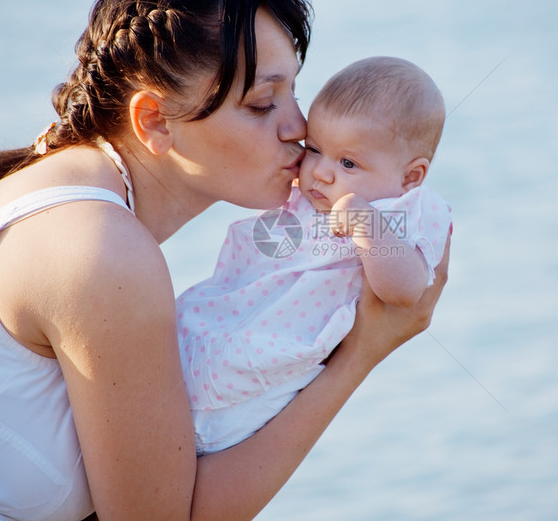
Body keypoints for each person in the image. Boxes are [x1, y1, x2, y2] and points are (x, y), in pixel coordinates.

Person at [0, 0, 449, 520]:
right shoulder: (99, 251)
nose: (299, 129)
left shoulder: (52, 196)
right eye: (263, 104)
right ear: (155, 122)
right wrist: (360, 353)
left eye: (294, 95)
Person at [179, 56, 451, 455]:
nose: (321, 172)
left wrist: (366, 222)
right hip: (204, 336)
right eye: (315, 149)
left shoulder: (407, 212)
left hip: (269, 374)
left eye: (348, 162)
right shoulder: (306, 194)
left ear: (410, 177)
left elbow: (406, 291)